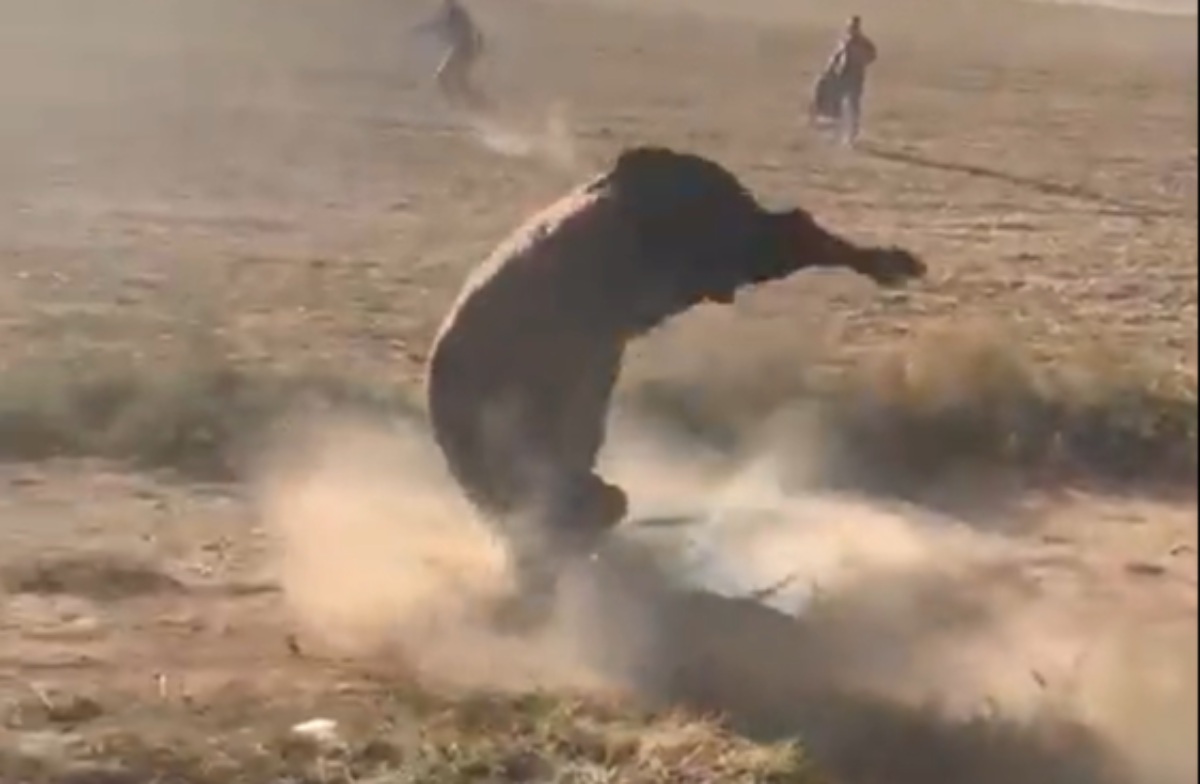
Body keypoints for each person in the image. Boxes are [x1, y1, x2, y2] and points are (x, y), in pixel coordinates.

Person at [423, 146, 926, 630]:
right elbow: (549, 409)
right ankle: (527, 638)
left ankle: (561, 610)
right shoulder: (583, 277)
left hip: (508, 379)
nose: (725, 295)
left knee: (569, 527)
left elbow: (785, 237)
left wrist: (861, 259)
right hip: (474, 390)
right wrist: (571, 498)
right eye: (714, 275)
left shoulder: (638, 240)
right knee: (556, 533)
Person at [811, 15, 878, 146]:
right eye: (850, 27)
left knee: (853, 106)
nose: (851, 29)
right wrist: (829, 71)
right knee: (838, 105)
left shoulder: (863, 43)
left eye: (853, 27)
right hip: (842, 76)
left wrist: (861, 62)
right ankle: (839, 133)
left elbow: (873, 55)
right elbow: (836, 57)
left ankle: (851, 135)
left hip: (855, 77)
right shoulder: (845, 41)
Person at [419, 0, 487, 111]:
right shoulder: (454, 11)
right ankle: (476, 105)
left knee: (445, 78)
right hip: (464, 48)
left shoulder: (455, 12)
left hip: (464, 49)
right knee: (458, 81)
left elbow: (449, 28)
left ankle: (462, 106)